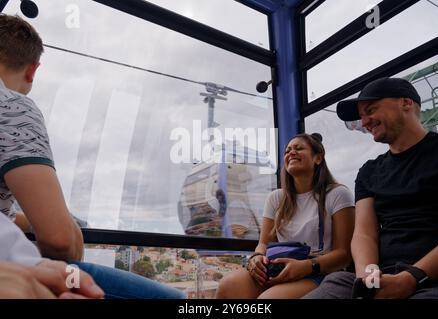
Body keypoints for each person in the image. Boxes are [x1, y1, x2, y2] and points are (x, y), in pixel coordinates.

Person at [0, 14, 185, 299]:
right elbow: (60, 242)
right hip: (12, 268)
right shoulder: (14, 107)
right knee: (175, 300)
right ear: (32, 71)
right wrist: (70, 226)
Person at [303, 77, 438, 299]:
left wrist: (412, 277)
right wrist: (369, 279)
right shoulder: (370, 171)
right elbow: (364, 233)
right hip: (382, 275)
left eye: (370, 110)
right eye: (361, 116)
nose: (364, 122)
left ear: (406, 103)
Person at [216, 133, 355, 299]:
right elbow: (263, 244)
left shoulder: (337, 194)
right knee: (228, 286)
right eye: (287, 150)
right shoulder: (276, 198)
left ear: (318, 158)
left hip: (318, 272)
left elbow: (344, 254)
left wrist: (307, 266)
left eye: (299, 148)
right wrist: (257, 257)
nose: (291, 153)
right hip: (278, 267)